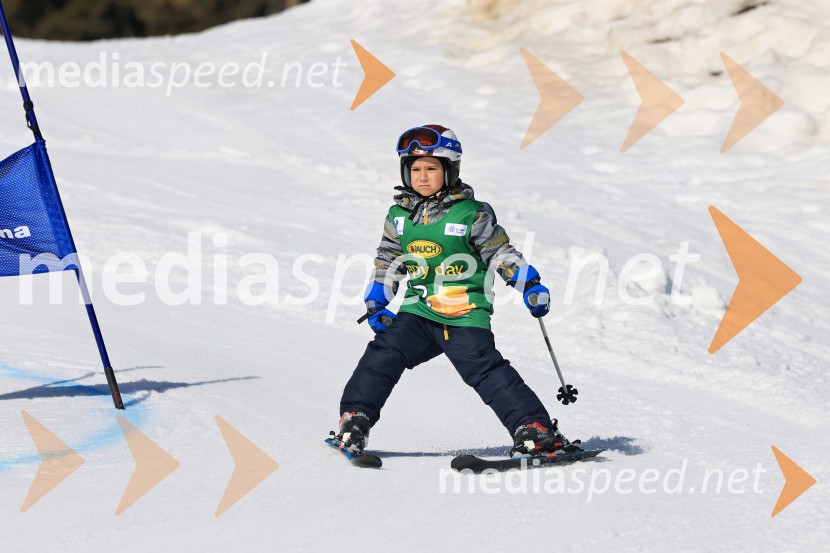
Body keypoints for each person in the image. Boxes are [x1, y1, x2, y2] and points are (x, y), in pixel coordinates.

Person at [334, 124, 577, 458]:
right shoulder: (399, 216)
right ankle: (355, 420)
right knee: (382, 355)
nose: (421, 176)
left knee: (484, 369)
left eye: (431, 168)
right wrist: (377, 299)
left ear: (450, 170)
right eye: (414, 169)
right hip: (418, 312)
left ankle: (534, 429)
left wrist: (529, 283)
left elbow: (499, 252)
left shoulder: (471, 214)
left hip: (464, 313)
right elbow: (389, 259)